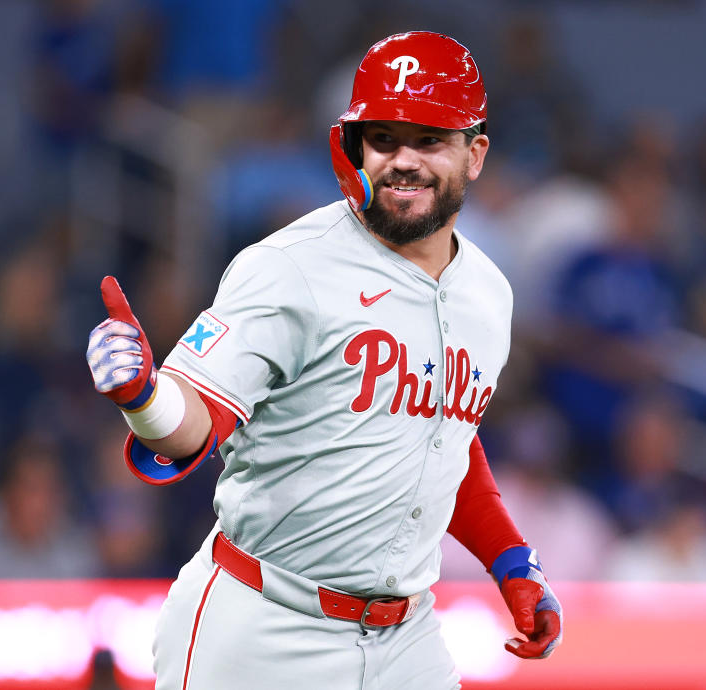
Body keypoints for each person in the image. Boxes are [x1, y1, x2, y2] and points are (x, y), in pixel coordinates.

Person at [86, 31, 562, 690]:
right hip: (266, 624)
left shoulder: (488, 293)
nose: (404, 160)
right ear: (353, 146)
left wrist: (513, 564)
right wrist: (142, 396)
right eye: (385, 138)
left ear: (475, 154)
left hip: (406, 639)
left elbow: (445, 441)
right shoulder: (289, 267)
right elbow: (192, 425)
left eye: (430, 140)